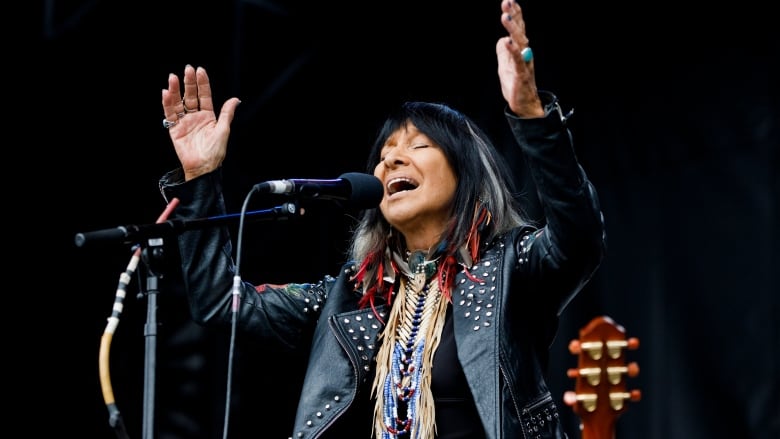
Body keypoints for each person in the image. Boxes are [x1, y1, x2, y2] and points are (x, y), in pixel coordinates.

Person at [158, 1, 606, 438]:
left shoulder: (513, 269)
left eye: (417, 146)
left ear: (465, 172)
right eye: (385, 152)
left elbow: (578, 236)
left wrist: (533, 118)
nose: (391, 160)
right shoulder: (350, 296)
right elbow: (221, 301)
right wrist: (200, 180)